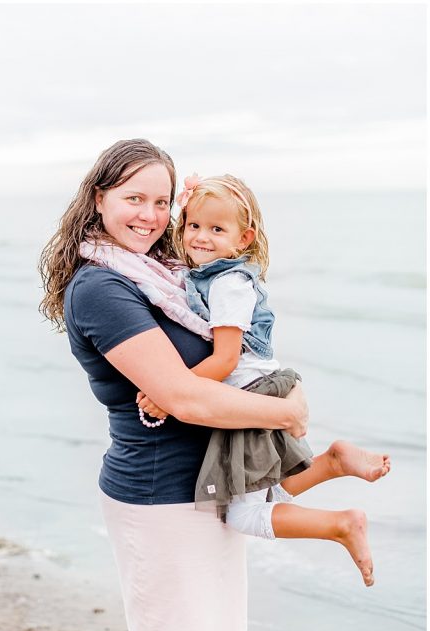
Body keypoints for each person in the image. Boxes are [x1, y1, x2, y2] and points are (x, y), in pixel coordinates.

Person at [38, 139, 308, 631]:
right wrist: (287, 412)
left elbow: (227, 354)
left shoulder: (167, 278)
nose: (149, 215)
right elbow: (187, 399)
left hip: (204, 492)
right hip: (159, 501)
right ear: (98, 199)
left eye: (162, 201)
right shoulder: (102, 288)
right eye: (134, 198)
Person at [111, 173, 389, 586]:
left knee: (243, 513)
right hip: (253, 393)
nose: (201, 237)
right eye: (193, 226)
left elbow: (225, 359)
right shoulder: (209, 275)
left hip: (249, 395)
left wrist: (166, 393)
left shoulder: (228, 284)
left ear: (244, 238)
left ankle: (341, 524)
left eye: (217, 229)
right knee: (266, 492)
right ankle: (333, 461)